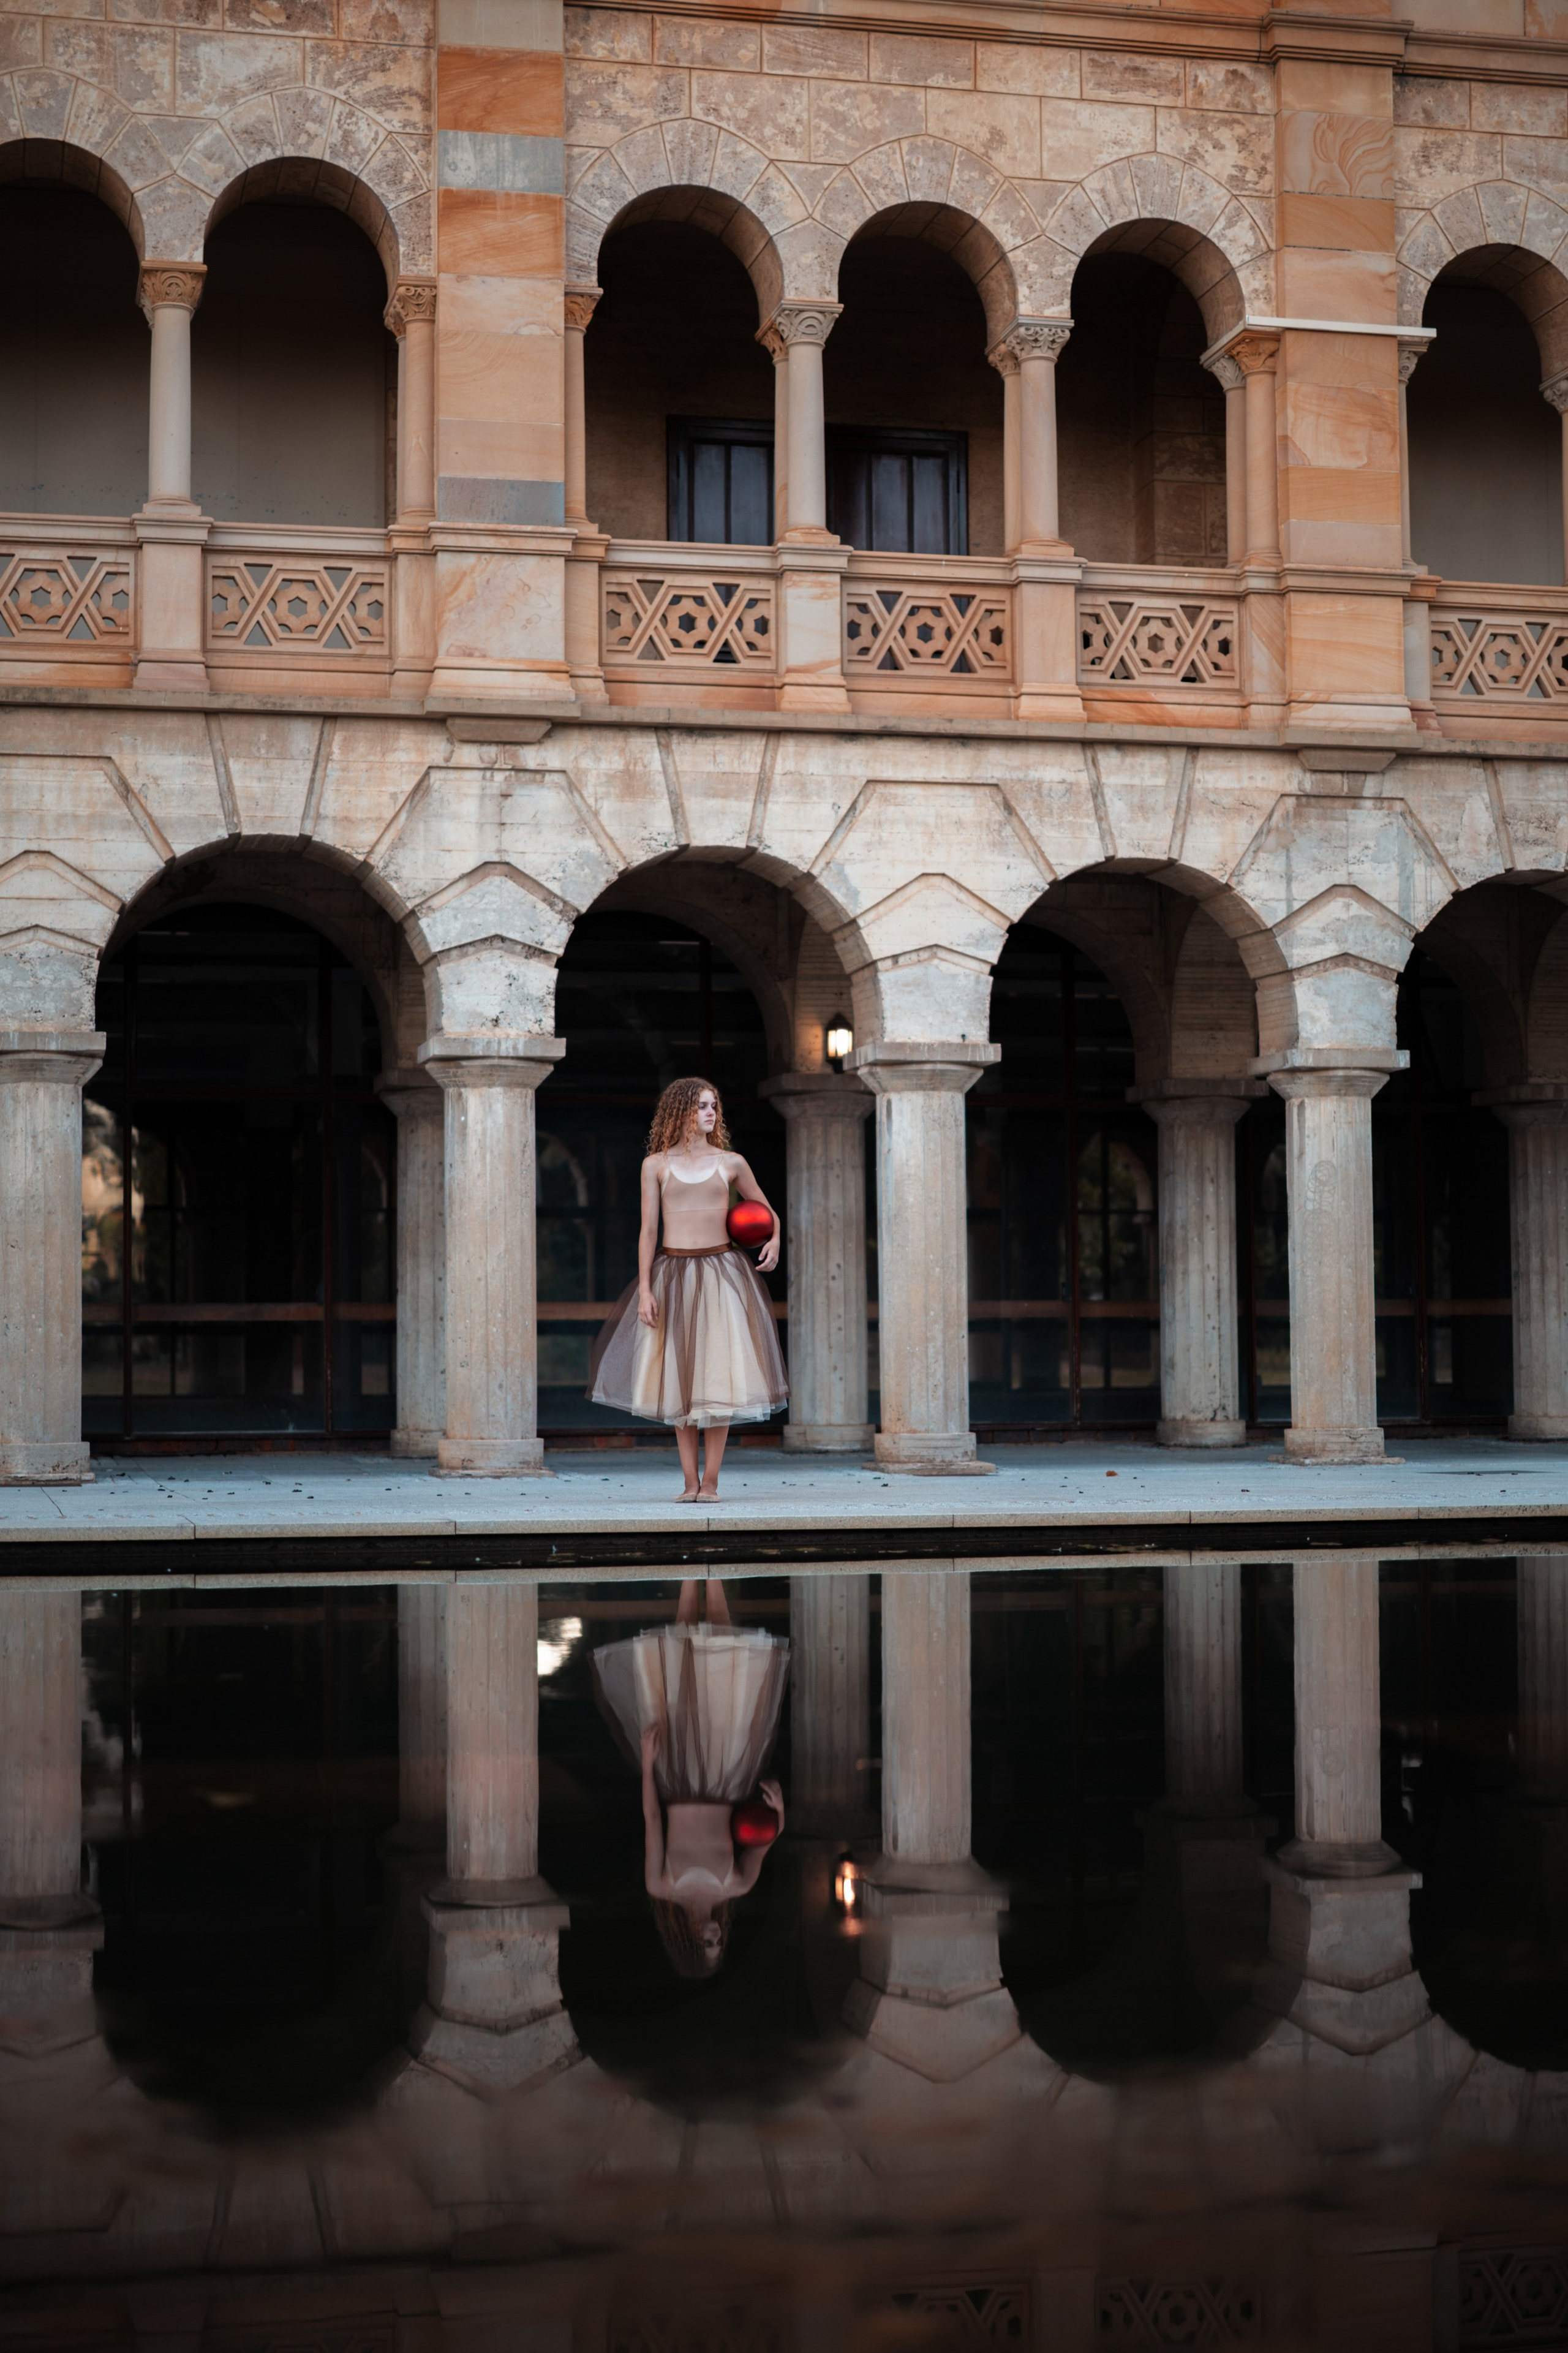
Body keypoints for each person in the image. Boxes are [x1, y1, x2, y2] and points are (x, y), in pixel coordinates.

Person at [588, 1075, 787, 1502]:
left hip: (721, 1274)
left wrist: (774, 1239)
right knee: (676, 1379)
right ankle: (689, 1483)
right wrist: (645, 1289)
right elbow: (648, 1231)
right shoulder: (655, 1165)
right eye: (701, 1105)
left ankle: (711, 1483)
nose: (710, 1112)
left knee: (720, 1379)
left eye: (713, 1105)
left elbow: (768, 1210)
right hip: (673, 1274)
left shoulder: (731, 1162)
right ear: (680, 1111)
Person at [592, 1577, 788, 1979]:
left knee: (676, 1674)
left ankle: (687, 1573)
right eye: (720, 1943)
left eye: (708, 1944)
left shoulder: (661, 1885)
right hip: (724, 1774)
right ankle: (714, 1572)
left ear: (687, 1939)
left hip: (678, 1776)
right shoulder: (737, 1886)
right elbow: (770, 1839)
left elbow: (652, 1819)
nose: (716, 1936)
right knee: (725, 1669)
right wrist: (779, 1808)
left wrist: (648, 1764)